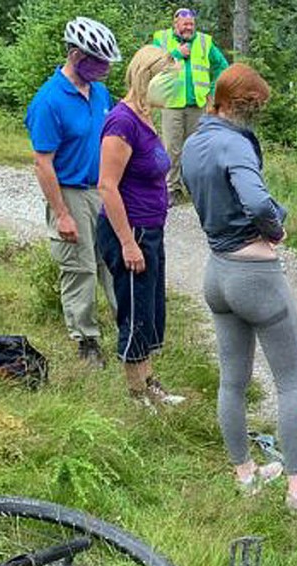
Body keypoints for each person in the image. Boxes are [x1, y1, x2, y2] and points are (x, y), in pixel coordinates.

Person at [181, 63, 297, 511]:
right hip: (256, 276)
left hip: (217, 272)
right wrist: (275, 227)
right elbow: (254, 200)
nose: (260, 113)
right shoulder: (235, 144)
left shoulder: (194, 142)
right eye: (258, 106)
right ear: (243, 104)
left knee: (232, 381)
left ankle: (246, 474)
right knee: (291, 382)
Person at [24, 16, 120, 369]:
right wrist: (62, 213)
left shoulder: (100, 93)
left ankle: (128, 329)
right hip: (71, 192)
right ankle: (86, 340)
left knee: (112, 262)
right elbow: (43, 164)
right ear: (77, 55)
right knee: (80, 268)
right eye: (99, 61)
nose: (106, 68)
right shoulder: (49, 101)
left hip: (103, 190)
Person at [97, 46, 185, 407]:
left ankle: (149, 382)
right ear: (147, 77)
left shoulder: (146, 116)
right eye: (168, 80)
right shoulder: (122, 122)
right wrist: (127, 243)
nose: (173, 87)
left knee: (149, 310)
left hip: (151, 229)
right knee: (134, 311)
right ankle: (136, 394)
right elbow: (107, 185)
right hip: (130, 231)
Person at [152, 7, 229, 205]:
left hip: (197, 105)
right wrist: (176, 53)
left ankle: (194, 189)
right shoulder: (162, 39)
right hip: (170, 103)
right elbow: (151, 64)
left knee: (195, 149)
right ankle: (172, 189)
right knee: (171, 149)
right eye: (185, 24)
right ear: (175, 24)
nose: (189, 28)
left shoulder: (204, 41)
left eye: (192, 24)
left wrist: (213, 89)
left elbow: (222, 66)